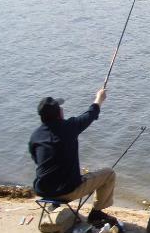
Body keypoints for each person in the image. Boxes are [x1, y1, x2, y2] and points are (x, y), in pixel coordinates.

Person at [29, 88, 117, 225]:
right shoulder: (69, 127)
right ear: (59, 113)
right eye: (60, 108)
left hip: (43, 190)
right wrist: (99, 98)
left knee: (55, 170)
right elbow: (90, 114)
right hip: (67, 191)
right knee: (109, 173)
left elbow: (39, 161)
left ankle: (55, 206)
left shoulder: (35, 136)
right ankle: (96, 213)